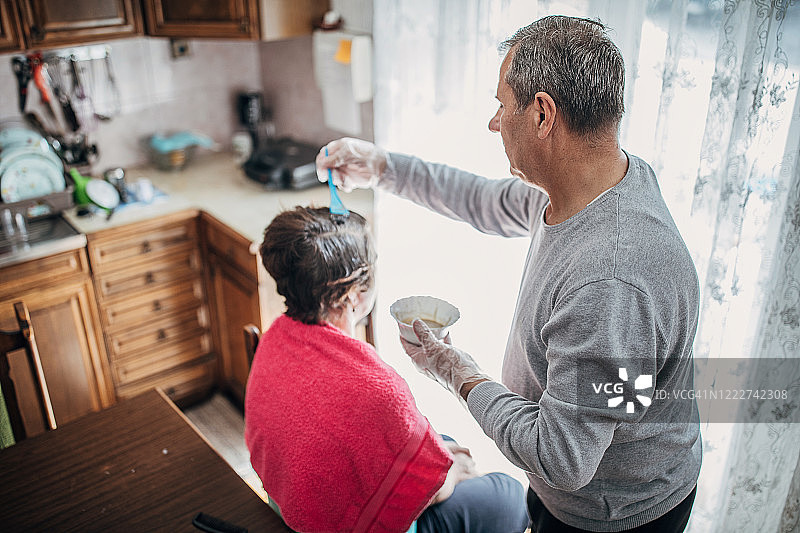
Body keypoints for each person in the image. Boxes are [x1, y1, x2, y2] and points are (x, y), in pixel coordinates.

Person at [316, 15, 701, 533]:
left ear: (543, 113)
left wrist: (458, 372)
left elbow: (562, 459)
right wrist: (383, 167)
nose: (494, 122)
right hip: (577, 489)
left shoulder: (609, 282)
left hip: (612, 513)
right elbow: (484, 201)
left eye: (502, 105)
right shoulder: (592, 181)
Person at [244, 206, 529, 533]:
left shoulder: (276, 339)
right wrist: (450, 471)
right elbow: (431, 492)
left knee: (441, 440)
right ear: (353, 294)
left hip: (288, 504)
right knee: (507, 494)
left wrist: (439, 459)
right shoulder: (376, 388)